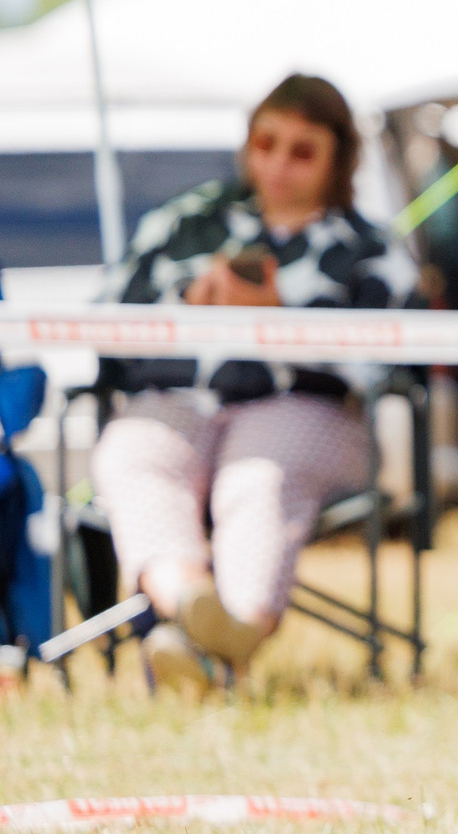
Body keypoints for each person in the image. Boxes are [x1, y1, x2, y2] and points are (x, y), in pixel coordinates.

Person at [89, 74, 418, 691]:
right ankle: (197, 613)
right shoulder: (187, 221)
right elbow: (105, 314)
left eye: (302, 150)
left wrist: (283, 320)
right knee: (134, 456)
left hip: (302, 408)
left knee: (259, 481)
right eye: (266, 143)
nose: (278, 164)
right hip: (176, 400)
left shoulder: (370, 246)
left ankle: (217, 641)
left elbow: (396, 358)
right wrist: (188, 299)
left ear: (337, 158)